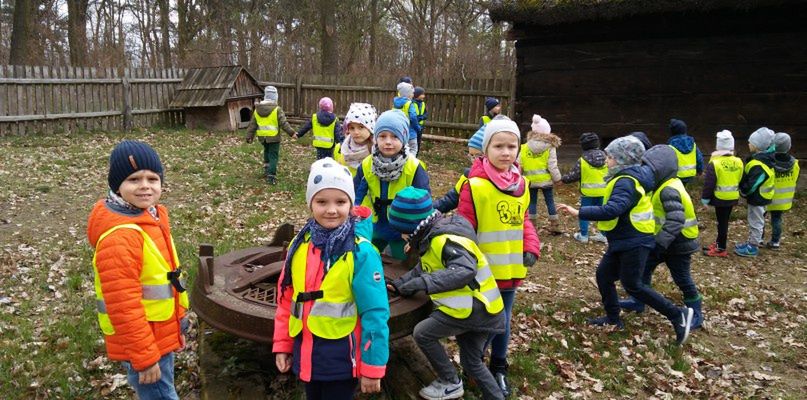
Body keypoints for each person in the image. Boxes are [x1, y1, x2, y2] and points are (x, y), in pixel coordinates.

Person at [557, 136, 694, 346]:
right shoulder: (627, 177)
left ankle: (677, 315)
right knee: (604, 275)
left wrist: (579, 212)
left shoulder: (626, 181)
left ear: (621, 160)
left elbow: (613, 209)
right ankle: (613, 319)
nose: (606, 160)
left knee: (633, 284)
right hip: (624, 240)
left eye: (610, 157)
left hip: (635, 241)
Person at [273, 158, 389, 400]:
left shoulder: (362, 253)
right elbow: (286, 299)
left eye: (341, 201)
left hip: (341, 358)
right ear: (310, 204)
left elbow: (375, 312)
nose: (332, 209)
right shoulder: (300, 245)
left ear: (351, 204)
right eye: (322, 201)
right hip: (306, 351)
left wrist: (372, 367)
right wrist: (283, 344)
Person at [87, 140, 189, 400]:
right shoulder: (121, 237)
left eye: (152, 179)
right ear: (117, 186)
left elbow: (160, 281)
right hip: (144, 345)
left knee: (163, 389)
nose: (145, 186)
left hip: (158, 335)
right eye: (134, 179)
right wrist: (144, 358)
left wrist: (177, 328)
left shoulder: (150, 217)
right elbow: (123, 306)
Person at [387, 187, 506, 400]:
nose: (402, 237)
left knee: (422, 332)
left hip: (473, 308)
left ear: (413, 228)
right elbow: (424, 267)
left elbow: (464, 270)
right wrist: (401, 285)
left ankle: (450, 382)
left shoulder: (445, 240)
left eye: (402, 232)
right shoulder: (435, 237)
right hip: (487, 308)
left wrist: (424, 283)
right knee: (472, 362)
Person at [456, 115, 541, 397]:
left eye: (511, 146)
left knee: (503, 320)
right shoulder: (475, 185)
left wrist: (530, 245)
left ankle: (499, 365)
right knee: (481, 321)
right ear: (485, 150)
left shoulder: (522, 185)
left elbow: (524, 219)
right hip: (482, 272)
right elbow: (464, 228)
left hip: (511, 269)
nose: (506, 152)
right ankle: (473, 362)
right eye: (499, 146)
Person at [617, 145, 704, 330]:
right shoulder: (660, 185)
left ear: (661, 170)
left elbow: (676, 220)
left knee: (682, 279)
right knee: (643, 271)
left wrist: (659, 244)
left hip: (679, 244)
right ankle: (638, 300)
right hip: (662, 242)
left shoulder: (668, 189)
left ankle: (695, 311)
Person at [354, 110, 430, 260]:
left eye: (395, 136)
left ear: (404, 138)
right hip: (374, 225)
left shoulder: (414, 167)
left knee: (403, 264)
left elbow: (424, 203)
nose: (388, 141)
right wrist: (353, 218)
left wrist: (417, 233)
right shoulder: (367, 164)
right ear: (375, 138)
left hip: (402, 229)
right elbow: (356, 193)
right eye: (382, 136)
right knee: (366, 259)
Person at [701, 130, 743, 257]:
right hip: (733, 197)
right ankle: (719, 243)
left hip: (720, 198)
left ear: (718, 146)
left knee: (722, 223)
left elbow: (709, 183)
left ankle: (721, 248)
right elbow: (740, 178)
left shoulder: (715, 163)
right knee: (723, 221)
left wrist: (705, 199)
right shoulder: (739, 161)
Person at [560, 132, 608, 243]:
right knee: (603, 213)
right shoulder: (607, 158)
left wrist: (563, 179)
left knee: (584, 213)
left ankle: (584, 235)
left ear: (584, 146)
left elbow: (574, 175)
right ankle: (603, 234)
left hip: (588, 193)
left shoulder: (582, 160)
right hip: (604, 191)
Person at [735, 128, 776, 257]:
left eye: (751, 142)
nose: (748, 143)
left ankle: (753, 247)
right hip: (759, 197)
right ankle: (752, 241)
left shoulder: (759, 164)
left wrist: (743, 190)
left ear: (758, 146)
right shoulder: (761, 160)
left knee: (756, 221)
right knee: (754, 219)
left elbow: (753, 184)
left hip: (759, 197)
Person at [518, 114, 562, 234]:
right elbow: (552, 165)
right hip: (546, 180)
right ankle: (555, 225)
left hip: (530, 181)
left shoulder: (525, 147)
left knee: (532, 202)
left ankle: (532, 227)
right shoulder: (550, 147)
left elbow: (519, 164)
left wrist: (517, 179)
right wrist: (558, 179)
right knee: (550, 202)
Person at [245, 85, 297, 184]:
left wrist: (249, 136)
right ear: (275, 97)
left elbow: (252, 124)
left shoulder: (257, 109)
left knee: (266, 152)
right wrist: (292, 133)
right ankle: (271, 176)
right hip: (273, 137)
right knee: (273, 155)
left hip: (262, 137)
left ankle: (266, 170)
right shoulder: (277, 109)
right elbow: (283, 123)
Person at [765, 132, 799, 249]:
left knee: (761, 218)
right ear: (789, 146)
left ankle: (759, 238)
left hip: (767, 196)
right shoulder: (794, 164)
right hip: (783, 200)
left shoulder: (768, 162)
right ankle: (775, 242)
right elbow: (795, 178)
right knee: (777, 219)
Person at [334, 103, 376, 176]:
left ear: (370, 127)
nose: (356, 132)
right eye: (352, 128)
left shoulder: (376, 150)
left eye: (361, 127)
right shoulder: (341, 148)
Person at [667, 118, 703, 184]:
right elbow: (699, 159)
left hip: (676, 177)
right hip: (690, 175)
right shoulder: (693, 144)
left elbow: (667, 162)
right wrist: (700, 170)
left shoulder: (671, 146)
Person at [393, 82, 422, 156]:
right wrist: (418, 128)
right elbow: (413, 117)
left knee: (401, 149)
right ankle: (410, 164)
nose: (413, 95)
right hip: (410, 132)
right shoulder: (409, 104)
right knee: (413, 148)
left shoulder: (395, 103)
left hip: (399, 131)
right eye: (412, 93)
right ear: (408, 94)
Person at [413, 86, 428, 151]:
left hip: (420, 127)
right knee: (413, 143)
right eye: (422, 94)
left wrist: (422, 117)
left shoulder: (423, 104)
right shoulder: (412, 103)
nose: (424, 96)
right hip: (413, 127)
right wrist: (418, 118)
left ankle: (416, 157)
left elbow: (425, 113)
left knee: (418, 142)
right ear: (417, 94)